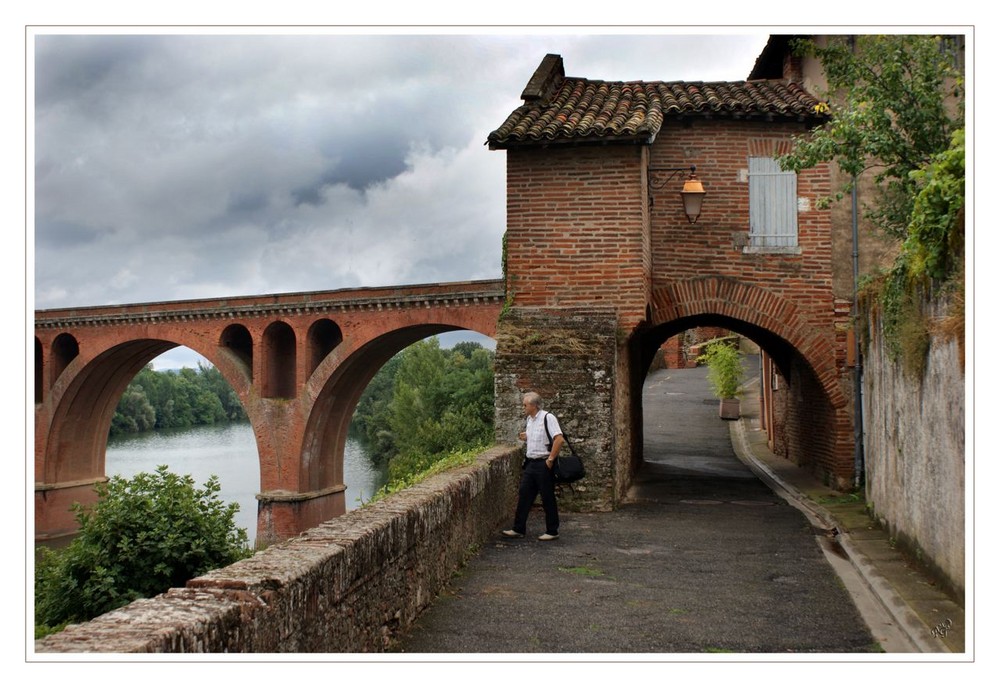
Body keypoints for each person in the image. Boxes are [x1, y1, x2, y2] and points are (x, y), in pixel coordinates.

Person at [502, 391, 563, 541]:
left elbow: (559, 439)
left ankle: (552, 531)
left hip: (543, 463)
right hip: (531, 463)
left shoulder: (548, 418)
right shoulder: (530, 420)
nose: (523, 407)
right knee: (524, 494)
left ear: (534, 405)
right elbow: (538, 437)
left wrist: (550, 460)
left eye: (525, 405)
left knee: (547, 496)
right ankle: (518, 528)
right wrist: (527, 436)